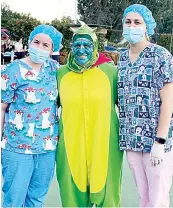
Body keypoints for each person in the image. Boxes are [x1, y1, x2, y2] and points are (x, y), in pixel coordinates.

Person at [56, 22, 123, 207]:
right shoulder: (60, 74)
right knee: (72, 196)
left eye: (87, 45)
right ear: (71, 48)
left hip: (105, 145)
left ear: (94, 47)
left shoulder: (111, 72)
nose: (82, 50)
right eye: (77, 45)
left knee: (108, 196)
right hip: (70, 145)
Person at [118, 4, 173, 207]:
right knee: (144, 196)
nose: (132, 26)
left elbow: (169, 101)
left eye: (137, 22)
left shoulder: (161, 56)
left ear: (146, 27)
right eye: (128, 22)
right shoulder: (122, 58)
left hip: (155, 142)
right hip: (131, 140)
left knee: (158, 198)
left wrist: (160, 141)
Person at [1, 24, 62, 207]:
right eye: (36, 42)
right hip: (17, 147)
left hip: (47, 148)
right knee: (14, 199)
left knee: (36, 199)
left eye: (46, 45)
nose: (40, 47)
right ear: (29, 42)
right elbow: (2, 107)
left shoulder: (54, 70)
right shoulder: (12, 71)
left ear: (53, 49)